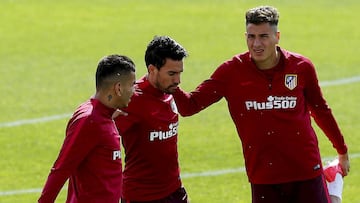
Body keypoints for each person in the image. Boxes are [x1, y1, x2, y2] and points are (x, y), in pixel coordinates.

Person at [172, 5, 350, 203]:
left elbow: (320, 110)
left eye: (263, 36)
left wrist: (341, 149)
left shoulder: (301, 67)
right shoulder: (231, 72)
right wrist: (168, 80)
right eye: (251, 36)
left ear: (277, 36)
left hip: (306, 171)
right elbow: (189, 106)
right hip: (264, 176)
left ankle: (332, 181)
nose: (256, 43)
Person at [38, 54, 136, 203]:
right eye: (132, 85)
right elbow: (61, 168)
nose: (134, 91)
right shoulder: (89, 121)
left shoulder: (103, 115)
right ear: (118, 88)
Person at [113, 36, 189, 203]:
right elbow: (102, 132)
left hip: (175, 192)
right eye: (171, 73)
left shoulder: (169, 90)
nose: (178, 80)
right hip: (141, 196)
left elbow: (191, 105)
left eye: (179, 73)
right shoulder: (132, 99)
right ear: (152, 69)